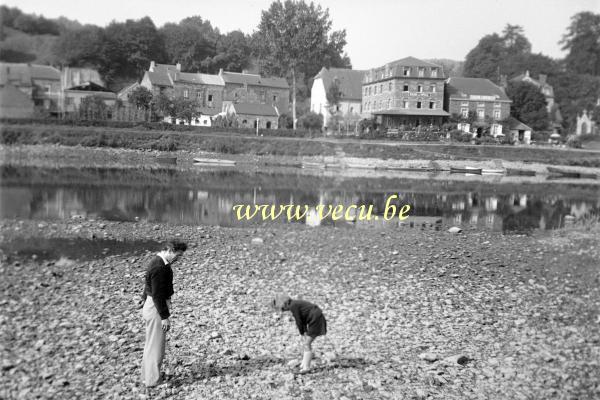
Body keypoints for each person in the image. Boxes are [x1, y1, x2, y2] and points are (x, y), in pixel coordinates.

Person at [140, 240, 187, 388]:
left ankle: (147, 376)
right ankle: (153, 381)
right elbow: (158, 295)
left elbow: (149, 286)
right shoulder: (159, 267)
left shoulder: (157, 262)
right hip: (155, 309)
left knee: (151, 343)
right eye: (177, 255)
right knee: (156, 346)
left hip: (151, 305)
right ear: (169, 250)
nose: (178, 259)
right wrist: (165, 317)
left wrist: (143, 298)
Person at [272, 294, 327, 373]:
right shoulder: (295, 303)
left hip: (316, 319)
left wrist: (302, 332)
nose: (285, 310)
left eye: (283, 309)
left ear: (285, 304)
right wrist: (304, 331)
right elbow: (303, 319)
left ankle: (306, 367)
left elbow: (299, 321)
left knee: (307, 343)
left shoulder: (293, 306)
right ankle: (303, 364)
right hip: (315, 318)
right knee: (306, 343)